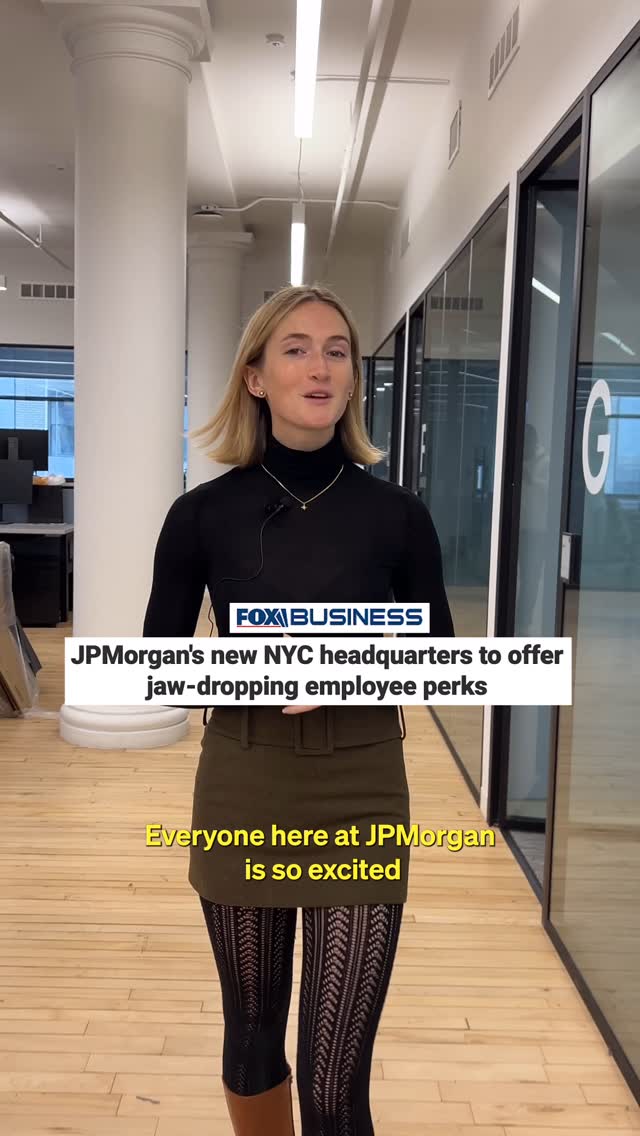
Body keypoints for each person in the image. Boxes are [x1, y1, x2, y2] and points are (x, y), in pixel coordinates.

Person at [143, 283, 454, 1135]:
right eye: (296, 348)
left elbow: (440, 658)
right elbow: (160, 665)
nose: (320, 367)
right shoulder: (201, 515)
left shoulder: (399, 516)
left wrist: (345, 663)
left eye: (337, 351)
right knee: (252, 1039)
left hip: (362, 783)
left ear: (352, 380)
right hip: (244, 779)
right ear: (255, 377)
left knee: (335, 1082)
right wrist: (256, 666)